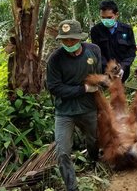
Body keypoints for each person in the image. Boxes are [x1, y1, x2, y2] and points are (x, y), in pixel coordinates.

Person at [46, 20, 102, 191]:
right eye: (65, 40)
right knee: (62, 151)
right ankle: (72, 187)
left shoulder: (93, 51)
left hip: (89, 108)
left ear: (80, 38)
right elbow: (55, 87)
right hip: (65, 112)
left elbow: (98, 76)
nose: (68, 43)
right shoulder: (55, 60)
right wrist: (83, 88)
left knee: (93, 141)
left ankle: (94, 162)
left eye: (71, 39)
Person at [90, 0, 136, 82]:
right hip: (105, 72)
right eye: (103, 18)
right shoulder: (96, 31)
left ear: (116, 14)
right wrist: (108, 67)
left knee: (119, 91)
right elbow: (97, 52)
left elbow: (131, 51)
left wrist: (123, 66)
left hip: (123, 71)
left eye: (109, 17)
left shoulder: (127, 29)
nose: (106, 20)